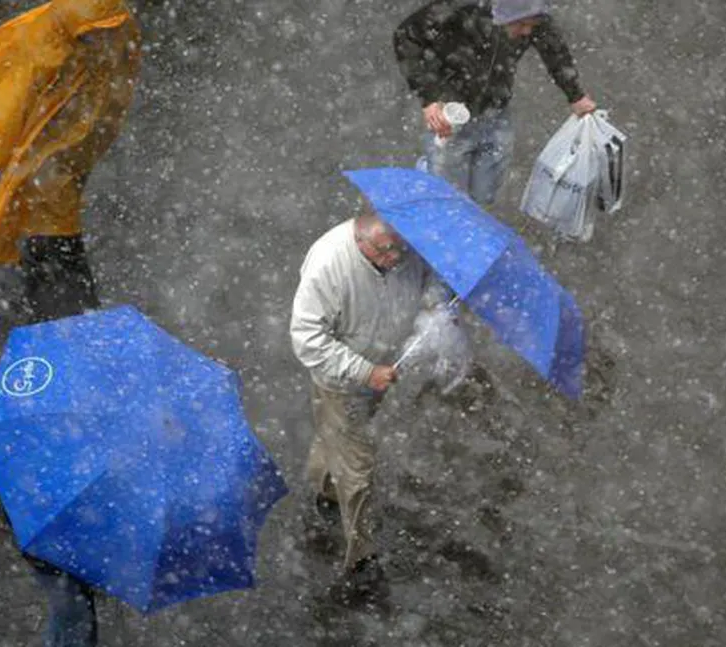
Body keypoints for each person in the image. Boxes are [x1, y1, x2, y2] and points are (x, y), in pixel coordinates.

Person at [0, 1, 141, 644]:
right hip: (54, 220)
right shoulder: (97, 44)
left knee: (51, 275)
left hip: (51, 218)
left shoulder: (73, 37)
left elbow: (24, 68)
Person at [0, 0, 142, 324]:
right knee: (54, 259)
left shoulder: (76, 25)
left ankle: (69, 336)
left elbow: (22, 84)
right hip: (52, 173)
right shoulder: (85, 31)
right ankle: (72, 336)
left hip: (51, 173)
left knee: (53, 261)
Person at [290, 206, 444, 602]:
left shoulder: (405, 249)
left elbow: (429, 283)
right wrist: (364, 371)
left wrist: (435, 309)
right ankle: (362, 558)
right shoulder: (328, 264)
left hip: (381, 372)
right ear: (361, 239)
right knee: (360, 470)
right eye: (385, 251)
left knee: (335, 437)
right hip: (343, 382)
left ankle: (322, 489)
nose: (395, 260)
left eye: (400, 251)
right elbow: (307, 340)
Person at [394, 0, 598, 206]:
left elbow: (554, 49)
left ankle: (455, 198)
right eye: (522, 24)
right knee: (448, 198)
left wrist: (575, 95)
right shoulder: (461, 8)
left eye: (532, 25)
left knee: (484, 196)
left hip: (496, 111)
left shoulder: (533, 12)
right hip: (451, 111)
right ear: (502, 15)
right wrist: (429, 97)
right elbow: (406, 35)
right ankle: (429, 172)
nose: (528, 32)